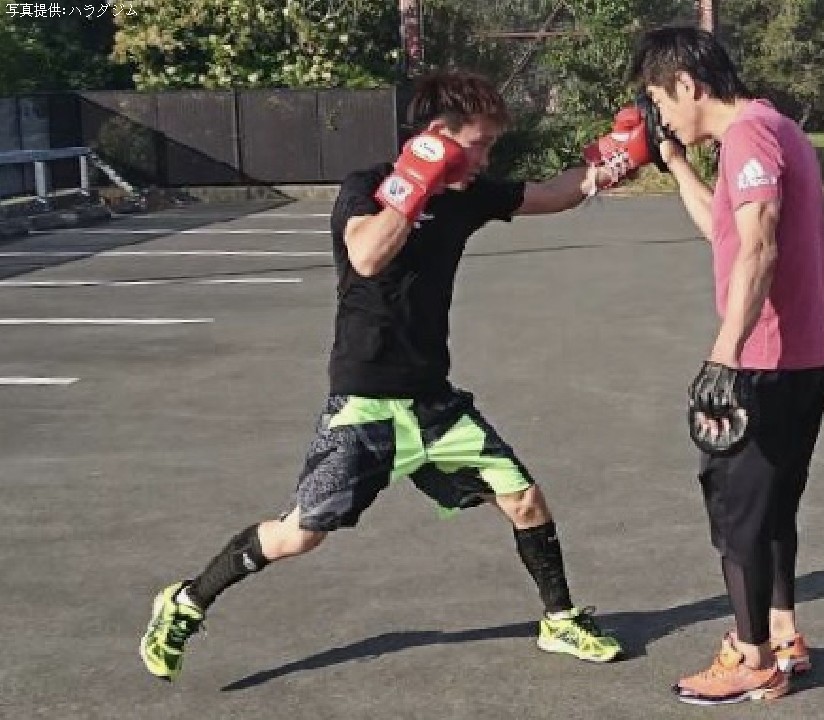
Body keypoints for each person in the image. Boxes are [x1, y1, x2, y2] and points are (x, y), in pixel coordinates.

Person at [139, 70, 660, 682]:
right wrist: (417, 180)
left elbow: (554, 193)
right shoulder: (366, 187)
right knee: (300, 534)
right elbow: (366, 254)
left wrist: (617, 159)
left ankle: (560, 619)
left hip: (434, 403)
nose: (486, 158)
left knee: (522, 497)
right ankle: (187, 599)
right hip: (364, 404)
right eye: (480, 143)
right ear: (439, 134)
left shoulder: (470, 194)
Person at [628, 27, 824, 705]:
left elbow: (761, 245)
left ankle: (753, 660)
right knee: (770, 508)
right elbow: (727, 231)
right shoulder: (775, 128)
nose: (662, 111)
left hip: (762, 360)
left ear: (687, 84)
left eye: (662, 98)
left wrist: (724, 355)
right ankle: (783, 635)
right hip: (800, 356)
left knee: (737, 512)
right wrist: (676, 164)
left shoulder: (748, 137)